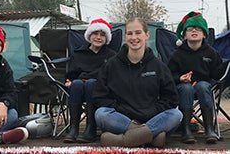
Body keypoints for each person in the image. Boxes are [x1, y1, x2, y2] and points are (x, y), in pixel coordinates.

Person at [93, 18, 183, 148]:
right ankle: (152, 137)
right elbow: (99, 96)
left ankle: (124, 140)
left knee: (176, 114)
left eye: (138, 32)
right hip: (122, 118)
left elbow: (171, 99)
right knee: (101, 114)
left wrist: (151, 112)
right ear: (125, 36)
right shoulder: (111, 65)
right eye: (130, 33)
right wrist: (123, 111)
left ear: (147, 35)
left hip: (152, 117)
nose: (134, 37)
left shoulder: (159, 66)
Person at [168, 11, 228, 144]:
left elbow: (217, 75)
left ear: (204, 34)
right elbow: (168, 75)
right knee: (186, 88)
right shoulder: (177, 55)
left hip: (205, 86)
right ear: (184, 34)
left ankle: (209, 128)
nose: (194, 30)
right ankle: (186, 129)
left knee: (202, 85)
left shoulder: (211, 53)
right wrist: (179, 78)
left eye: (198, 28)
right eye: (190, 29)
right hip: (183, 87)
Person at [63, 18, 117, 143]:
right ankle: (74, 128)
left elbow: (111, 75)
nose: (98, 37)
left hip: (99, 87)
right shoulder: (79, 53)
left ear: (106, 38)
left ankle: (90, 128)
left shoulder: (111, 56)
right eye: (95, 34)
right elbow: (72, 73)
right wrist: (69, 80)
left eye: (102, 35)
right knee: (76, 83)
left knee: (91, 83)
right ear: (89, 35)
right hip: (79, 86)